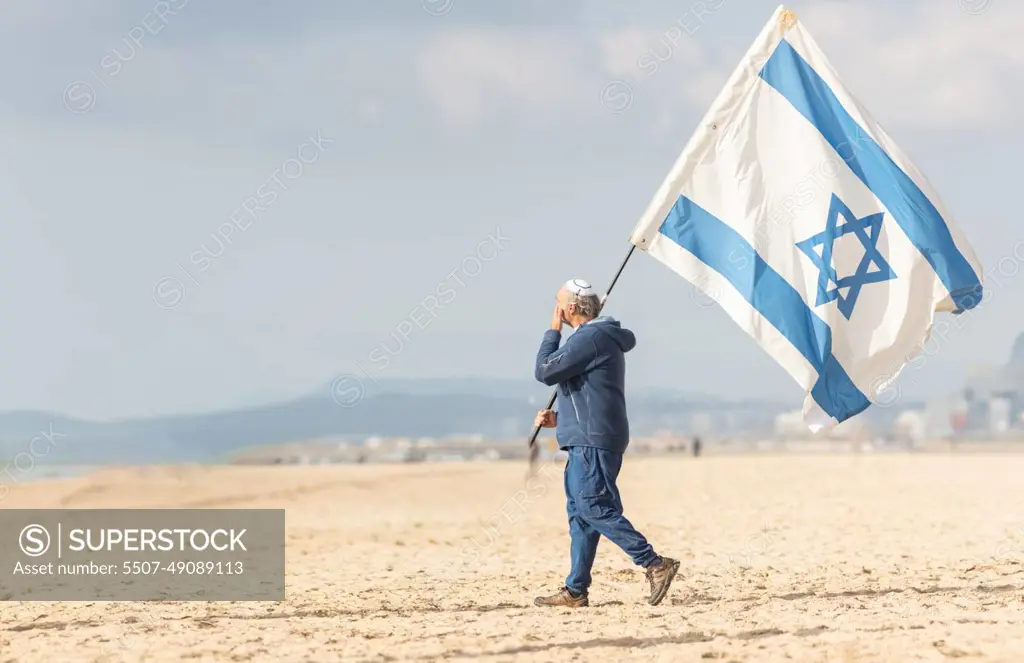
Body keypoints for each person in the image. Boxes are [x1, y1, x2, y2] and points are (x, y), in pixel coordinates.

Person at [532, 278, 679, 608]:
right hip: (587, 437)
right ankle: (575, 590)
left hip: (592, 441)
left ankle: (654, 563)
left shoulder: (591, 337)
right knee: (581, 515)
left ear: (570, 308)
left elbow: (544, 370)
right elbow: (589, 392)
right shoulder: (591, 339)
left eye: (557, 304)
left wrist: (552, 331)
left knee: (593, 507)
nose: (554, 310)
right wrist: (560, 420)